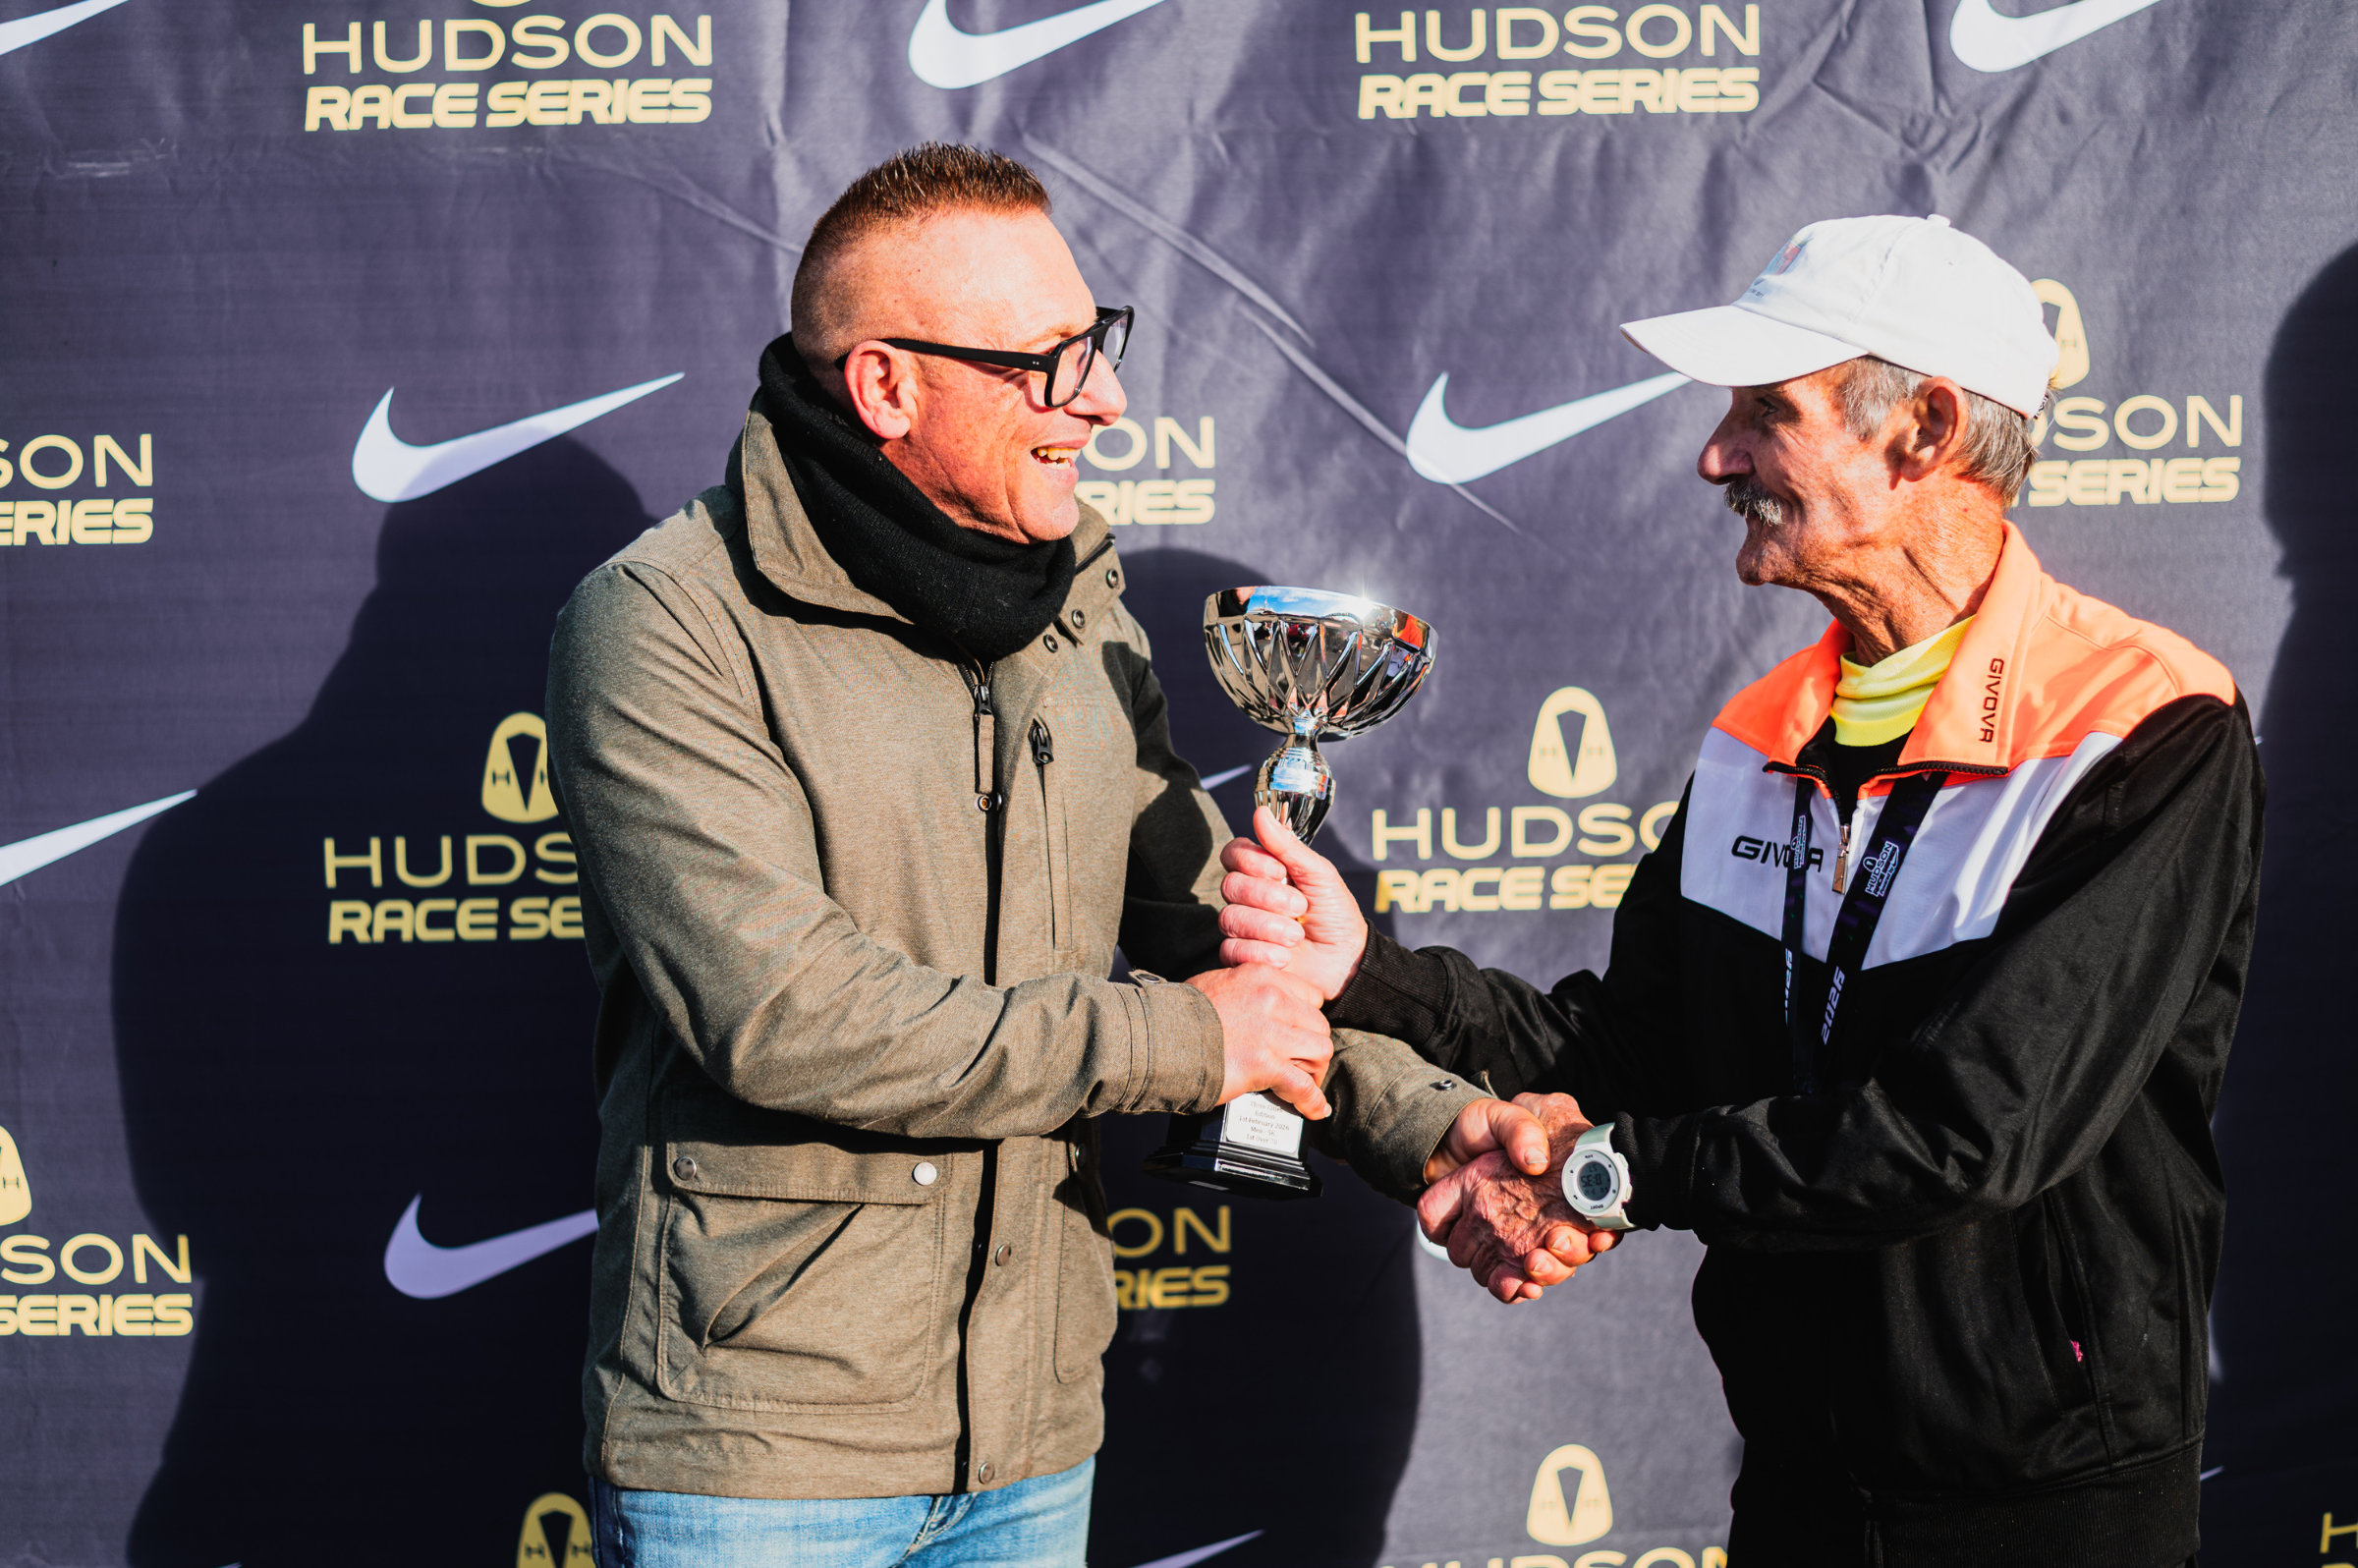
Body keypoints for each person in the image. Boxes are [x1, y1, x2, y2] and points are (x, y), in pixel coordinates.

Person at [1220, 214, 2262, 1567]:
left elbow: (1966, 1133)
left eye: (1767, 413)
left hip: (2051, 1506)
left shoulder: (2146, 728)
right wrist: (1366, 974)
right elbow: (1630, 1051)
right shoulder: (1762, 735)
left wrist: (1601, 1174)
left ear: (1925, 430)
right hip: (1793, 1481)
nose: (1717, 458)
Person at [544, 143, 1359, 1566]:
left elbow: (1220, 935)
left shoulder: (1081, 603)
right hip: (763, 1462)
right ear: (886, 387)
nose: (1102, 400)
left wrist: (1462, 1136)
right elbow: (790, 1017)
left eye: (1098, 343)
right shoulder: (664, 622)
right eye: (1047, 363)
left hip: (1033, 1444)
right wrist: (1185, 1043)